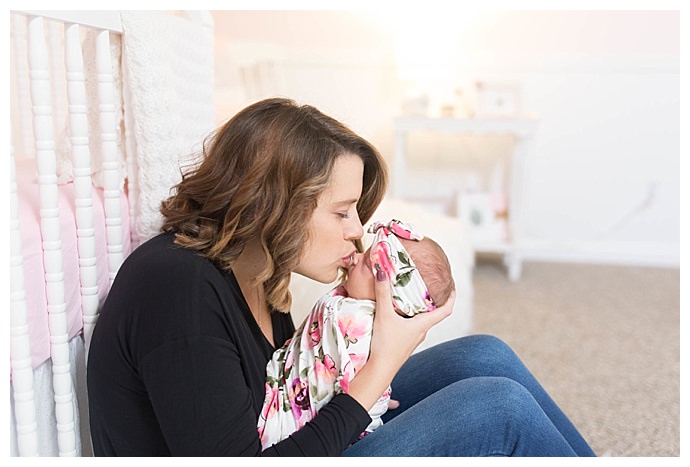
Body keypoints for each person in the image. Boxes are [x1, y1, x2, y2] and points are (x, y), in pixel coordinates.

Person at [87, 97, 596, 456]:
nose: (358, 232)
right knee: (496, 409)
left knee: (485, 355)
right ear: (274, 207)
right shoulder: (178, 290)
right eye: (342, 211)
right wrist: (380, 367)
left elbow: (293, 396)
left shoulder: (258, 269)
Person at [258, 219, 455, 449]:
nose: (357, 256)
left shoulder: (353, 319)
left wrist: (376, 395)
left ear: (390, 297)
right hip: (297, 434)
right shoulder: (351, 312)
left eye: (368, 263)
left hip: (325, 431)